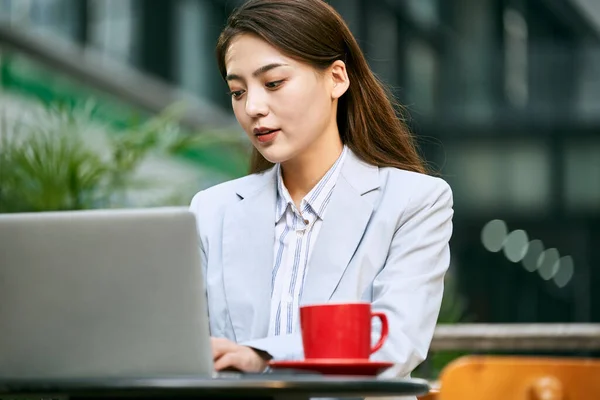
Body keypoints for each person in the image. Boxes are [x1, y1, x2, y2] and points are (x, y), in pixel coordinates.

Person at [189, 0, 454, 378]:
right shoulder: (211, 210)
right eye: (237, 92)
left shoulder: (414, 201)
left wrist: (263, 355)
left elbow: (393, 342)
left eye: (273, 83)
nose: (253, 107)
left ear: (337, 78)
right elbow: (183, 344)